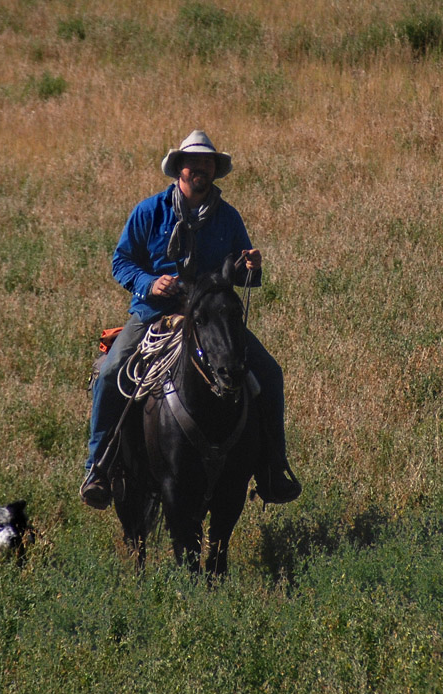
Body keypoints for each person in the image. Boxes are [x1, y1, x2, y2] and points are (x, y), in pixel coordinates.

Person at [80, 130, 301, 510]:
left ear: (214, 170)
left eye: (208, 162)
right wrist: (150, 283)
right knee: (110, 371)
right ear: (179, 169)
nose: (201, 168)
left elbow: (241, 274)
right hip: (155, 313)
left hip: (212, 317)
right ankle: (98, 466)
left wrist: (251, 267)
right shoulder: (149, 211)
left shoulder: (228, 217)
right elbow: (121, 262)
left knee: (269, 373)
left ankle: (273, 467)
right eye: (194, 162)